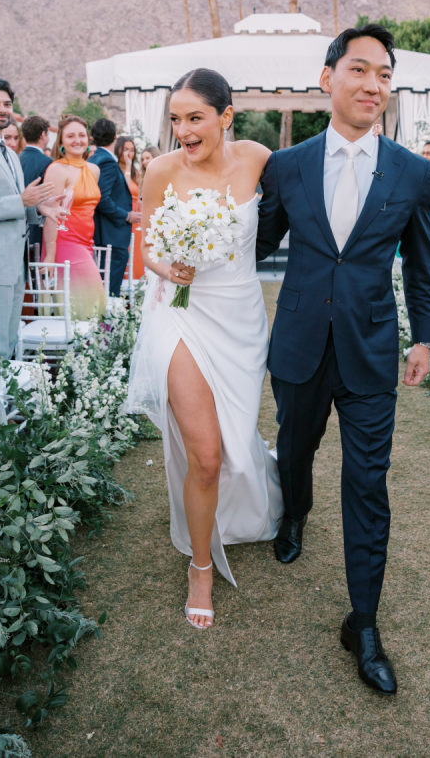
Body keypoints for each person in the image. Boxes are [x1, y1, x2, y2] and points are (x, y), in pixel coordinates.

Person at [256, 24, 430, 694]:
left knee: (367, 483)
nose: (373, 84)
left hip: (370, 349)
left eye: (384, 74)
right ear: (327, 77)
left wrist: (424, 338)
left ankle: (363, 623)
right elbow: (257, 243)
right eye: (359, 69)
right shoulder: (287, 166)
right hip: (300, 342)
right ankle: (293, 512)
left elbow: (420, 265)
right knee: (295, 450)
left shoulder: (413, 172)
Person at [127, 68, 283, 630]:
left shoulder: (259, 159)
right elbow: (147, 248)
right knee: (208, 455)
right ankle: (200, 567)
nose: (184, 131)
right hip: (181, 314)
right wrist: (169, 267)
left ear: (226, 116)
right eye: (176, 119)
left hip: (240, 320)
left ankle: (245, 503)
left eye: (195, 118)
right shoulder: (161, 170)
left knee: (236, 442)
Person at [0, 76, 60, 357]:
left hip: (15, 266)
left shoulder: (10, 153)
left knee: (6, 346)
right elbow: (15, 201)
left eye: (7, 104)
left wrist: (39, 208)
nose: (1, 109)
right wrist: (20, 201)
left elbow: (20, 202)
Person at [43, 115, 106, 319]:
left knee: (86, 303)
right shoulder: (56, 169)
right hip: (64, 241)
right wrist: (50, 255)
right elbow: (51, 214)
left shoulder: (94, 170)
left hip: (86, 242)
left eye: (81, 135)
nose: (77, 140)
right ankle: (82, 339)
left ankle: (85, 339)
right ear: (61, 141)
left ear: (88, 138)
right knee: (93, 299)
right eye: (70, 136)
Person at [88, 119, 141, 297]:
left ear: (93, 138)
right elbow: (102, 198)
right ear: (115, 136)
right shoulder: (108, 162)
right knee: (110, 291)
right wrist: (126, 215)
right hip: (112, 235)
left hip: (102, 234)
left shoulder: (94, 158)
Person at [20, 115, 52, 251]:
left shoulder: (16, 158)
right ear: (43, 134)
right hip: (37, 223)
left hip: (18, 222)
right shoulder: (47, 162)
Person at [115, 135, 144, 279]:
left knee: (136, 252)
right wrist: (127, 166)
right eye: (125, 149)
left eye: (132, 150)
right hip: (123, 214)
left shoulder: (135, 173)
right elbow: (124, 188)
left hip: (136, 217)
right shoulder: (116, 169)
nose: (129, 153)